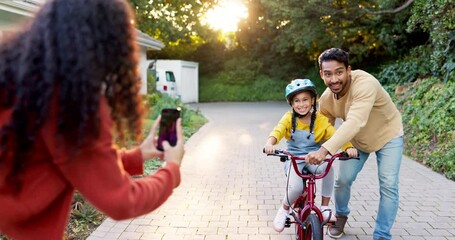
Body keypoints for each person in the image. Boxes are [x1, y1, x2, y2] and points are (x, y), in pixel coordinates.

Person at [0, 0, 185, 239]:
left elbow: (76, 159)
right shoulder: (72, 101)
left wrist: (138, 155)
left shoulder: (19, 78)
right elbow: (121, 200)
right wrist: (171, 169)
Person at [305, 48, 404, 240]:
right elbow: (322, 129)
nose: (334, 79)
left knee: (388, 184)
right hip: (357, 140)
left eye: (339, 72)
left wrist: (325, 151)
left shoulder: (366, 84)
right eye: (328, 74)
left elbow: (355, 121)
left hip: (388, 135)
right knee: (342, 180)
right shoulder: (326, 99)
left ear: (348, 70)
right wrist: (307, 149)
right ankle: (340, 216)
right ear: (321, 75)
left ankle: (382, 235)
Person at [264, 79, 357, 233]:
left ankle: (325, 207)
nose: (302, 104)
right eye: (297, 101)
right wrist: (270, 143)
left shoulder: (320, 120)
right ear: (292, 104)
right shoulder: (289, 118)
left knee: (328, 168)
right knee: (296, 187)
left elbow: (335, 135)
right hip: (295, 159)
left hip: (314, 158)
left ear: (313, 100)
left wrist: (348, 147)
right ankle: (284, 209)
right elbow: (278, 130)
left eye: (305, 99)